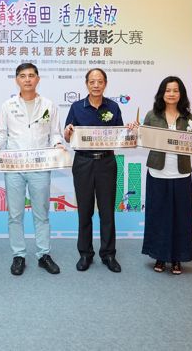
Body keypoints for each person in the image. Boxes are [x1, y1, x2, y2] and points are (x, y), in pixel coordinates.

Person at [0, 63, 64, 276]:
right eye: (22, 76)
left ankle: (43, 254)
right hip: (14, 167)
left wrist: (58, 144)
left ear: (38, 79)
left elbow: (55, 134)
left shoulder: (48, 105)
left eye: (31, 75)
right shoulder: (8, 105)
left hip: (40, 166)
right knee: (15, 214)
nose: (27, 79)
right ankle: (18, 255)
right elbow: (1, 134)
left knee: (42, 213)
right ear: (16, 80)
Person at [63, 68, 123, 273]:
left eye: (100, 81)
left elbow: (120, 135)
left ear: (105, 83)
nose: (96, 85)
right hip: (83, 163)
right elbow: (67, 136)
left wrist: (131, 131)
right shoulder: (77, 107)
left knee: (107, 211)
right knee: (85, 210)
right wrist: (67, 132)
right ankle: (85, 254)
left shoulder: (113, 107)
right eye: (92, 81)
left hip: (106, 163)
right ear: (86, 84)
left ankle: (108, 254)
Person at [141, 76, 192, 275]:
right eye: (168, 90)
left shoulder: (189, 118)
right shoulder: (152, 115)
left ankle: (177, 258)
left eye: (175, 90)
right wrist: (136, 131)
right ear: (162, 93)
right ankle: (159, 256)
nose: (171, 94)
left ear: (181, 94)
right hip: (158, 172)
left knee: (181, 218)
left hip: (181, 173)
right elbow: (144, 140)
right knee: (158, 216)